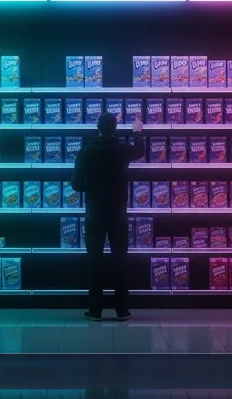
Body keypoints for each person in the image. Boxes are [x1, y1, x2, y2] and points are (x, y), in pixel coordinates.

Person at [71, 112, 145, 321]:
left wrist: (91, 185)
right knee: (120, 260)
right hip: (118, 213)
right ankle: (122, 310)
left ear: (98, 128)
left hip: (95, 213)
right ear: (115, 129)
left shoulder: (86, 151)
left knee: (95, 261)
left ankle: (95, 310)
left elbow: (76, 185)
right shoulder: (122, 150)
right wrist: (137, 132)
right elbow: (140, 151)